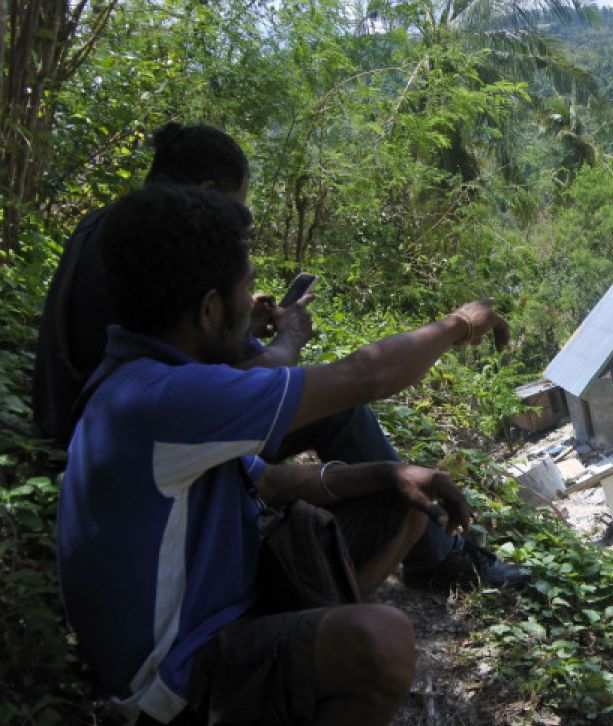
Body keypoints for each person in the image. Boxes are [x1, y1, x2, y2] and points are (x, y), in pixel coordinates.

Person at [58, 184, 509, 726]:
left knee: (405, 506)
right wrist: (460, 323)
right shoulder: (169, 399)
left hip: (215, 619)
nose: (256, 305)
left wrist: (387, 475)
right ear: (210, 310)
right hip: (174, 694)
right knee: (385, 641)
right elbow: (366, 375)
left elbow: (269, 479)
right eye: (246, 291)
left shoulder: (156, 381)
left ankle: (314, 683)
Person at [32, 122, 524, 590]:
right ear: (205, 194)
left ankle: (416, 541)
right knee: (342, 407)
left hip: (105, 434)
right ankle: (433, 559)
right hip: (140, 446)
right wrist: (456, 324)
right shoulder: (144, 257)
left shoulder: (123, 233)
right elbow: (362, 376)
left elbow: (170, 347)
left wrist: (235, 323)